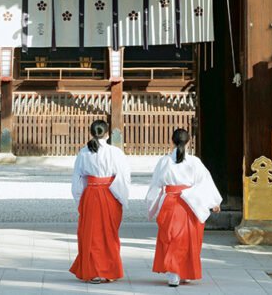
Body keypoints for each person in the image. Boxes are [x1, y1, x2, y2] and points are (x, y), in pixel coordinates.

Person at [146, 128, 222, 287]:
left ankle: (178, 273)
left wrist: (152, 206)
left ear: (172, 141)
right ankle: (178, 272)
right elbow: (204, 182)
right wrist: (213, 202)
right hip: (191, 204)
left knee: (171, 238)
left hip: (170, 203)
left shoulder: (165, 161)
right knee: (188, 240)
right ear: (189, 142)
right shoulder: (194, 162)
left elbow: (156, 185)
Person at [69, 119, 131, 283]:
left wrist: (79, 199)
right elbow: (123, 177)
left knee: (90, 233)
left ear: (91, 133)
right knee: (109, 234)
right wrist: (122, 198)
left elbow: (78, 178)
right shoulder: (115, 152)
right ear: (107, 133)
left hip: (90, 193)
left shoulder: (84, 152)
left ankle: (94, 271)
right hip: (110, 193)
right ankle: (108, 271)